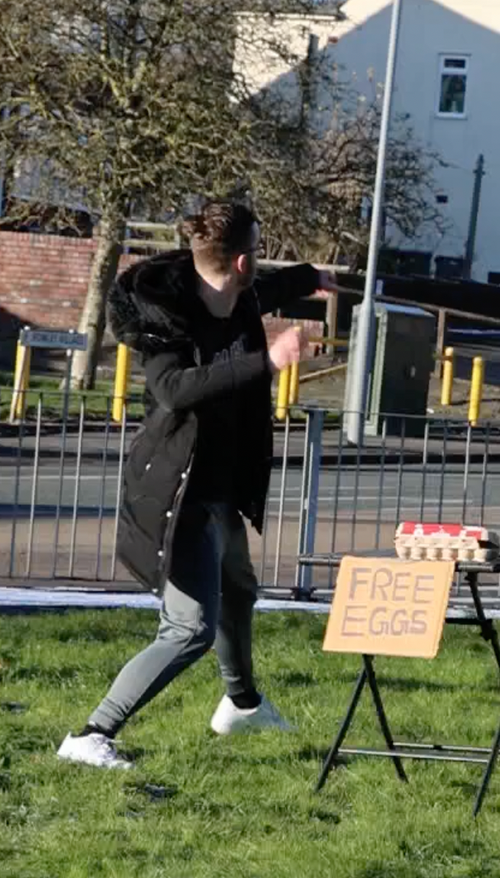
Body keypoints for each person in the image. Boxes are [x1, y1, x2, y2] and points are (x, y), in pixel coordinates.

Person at [57, 202, 336, 770]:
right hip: (177, 494)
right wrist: (267, 361)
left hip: (221, 488)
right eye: (257, 250)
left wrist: (312, 278)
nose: (260, 260)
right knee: (189, 629)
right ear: (238, 260)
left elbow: (273, 286)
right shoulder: (164, 320)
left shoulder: (239, 295)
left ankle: (242, 705)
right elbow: (175, 391)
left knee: (238, 590)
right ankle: (90, 735)